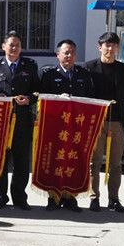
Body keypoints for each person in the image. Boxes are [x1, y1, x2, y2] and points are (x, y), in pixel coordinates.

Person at [0, 30, 38, 211]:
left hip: (22, 120)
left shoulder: (30, 65)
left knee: (22, 161)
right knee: (0, 159)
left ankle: (19, 197)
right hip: (1, 121)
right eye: (11, 45)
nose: (14, 48)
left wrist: (29, 99)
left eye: (17, 45)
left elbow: (37, 90)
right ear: (3, 46)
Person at [39, 39, 95, 212]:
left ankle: (71, 197)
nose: (69, 55)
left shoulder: (83, 74)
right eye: (66, 52)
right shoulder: (49, 74)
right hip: (56, 126)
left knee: (73, 159)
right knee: (55, 159)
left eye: (72, 52)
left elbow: (90, 97)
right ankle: (53, 197)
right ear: (58, 55)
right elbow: (42, 98)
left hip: (77, 126)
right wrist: (58, 99)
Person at [84, 32, 124, 213]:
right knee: (94, 162)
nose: (110, 49)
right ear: (100, 47)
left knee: (116, 164)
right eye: (107, 45)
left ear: (118, 48)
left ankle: (114, 199)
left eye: (114, 45)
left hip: (117, 121)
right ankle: (94, 198)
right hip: (96, 121)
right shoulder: (89, 67)